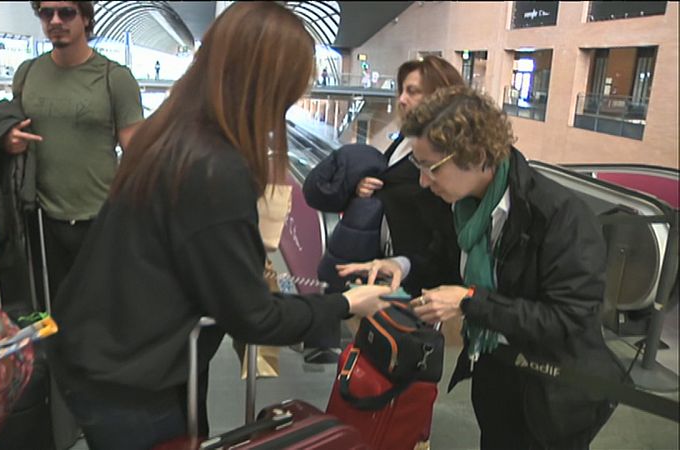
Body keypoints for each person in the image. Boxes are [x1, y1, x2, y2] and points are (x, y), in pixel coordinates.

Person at [48, 3, 392, 448]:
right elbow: (254, 317)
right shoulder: (214, 167)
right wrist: (346, 304)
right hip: (131, 381)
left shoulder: (170, 132)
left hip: (101, 354)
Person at [341, 85, 624, 449]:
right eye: (418, 165)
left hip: (552, 393)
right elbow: (445, 265)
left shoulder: (559, 217)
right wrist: (401, 265)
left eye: (431, 167)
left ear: (476, 155)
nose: (424, 181)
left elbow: (569, 320)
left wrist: (469, 303)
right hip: (496, 371)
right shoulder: (463, 206)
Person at [302, 56, 464, 363]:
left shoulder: (448, 157)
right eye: (402, 90)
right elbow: (391, 183)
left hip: (413, 277)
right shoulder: (406, 139)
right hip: (387, 267)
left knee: (396, 363)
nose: (402, 99)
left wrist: (406, 265)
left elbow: (446, 233)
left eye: (413, 91)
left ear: (441, 95)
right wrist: (364, 186)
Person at [3, 1, 143, 304]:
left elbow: (138, 152)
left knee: (101, 310)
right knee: (51, 310)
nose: (55, 20)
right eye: (46, 13)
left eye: (66, 12)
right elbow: (10, 126)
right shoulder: (27, 74)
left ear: (86, 17)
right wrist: (9, 139)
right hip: (41, 219)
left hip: (100, 219)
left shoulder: (115, 78)